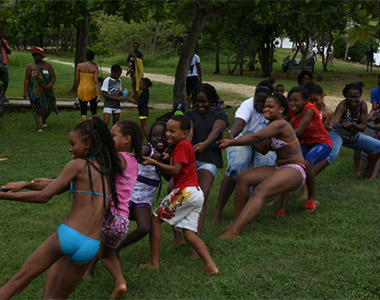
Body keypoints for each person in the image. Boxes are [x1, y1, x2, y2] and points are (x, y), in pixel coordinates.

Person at [0, 117, 122, 299]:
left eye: (73, 144)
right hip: (90, 246)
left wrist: (4, 195)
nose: (70, 149)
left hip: (69, 235)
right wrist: (25, 184)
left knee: (18, 282)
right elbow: (57, 186)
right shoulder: (105, 173)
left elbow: (45, 196)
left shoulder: (78, 165)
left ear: (87, 144)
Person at [218, 94, 306, 239]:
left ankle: (234, 232)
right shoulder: (270, 126)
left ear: (281, 110)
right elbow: (264, 148)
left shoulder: (281, 124)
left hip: (295, 169)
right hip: (281, 168)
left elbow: (257, 137)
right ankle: (236, 221)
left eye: (271, 107)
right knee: (244, 177)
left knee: (260, 191)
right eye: (265, 106)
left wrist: (231, 142)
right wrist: (251, 137)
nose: (266, 109)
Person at [138, 115, 219, 274]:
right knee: (189, 234)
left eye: (172, 131)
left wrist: (155, 162)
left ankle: (154, 262)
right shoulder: (182, 146)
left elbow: (176, 170)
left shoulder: (182, 145)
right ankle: (210, 265)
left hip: (185, 192)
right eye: (167, 130)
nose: (168, 134)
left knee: (155, 220)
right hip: (196, 193)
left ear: (184, 133)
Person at [168, 84, 228, 253]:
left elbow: (216, 132)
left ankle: (196, 243)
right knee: (173, 189)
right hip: (189, 161)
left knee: (201, 195)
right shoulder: (189, 115)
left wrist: (205, 144)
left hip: (208, 160)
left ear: (212, 101)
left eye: (204, 102)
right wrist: (187, 146)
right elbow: (189, 134)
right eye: (197, 102)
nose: (201, 105)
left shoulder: (220, 115)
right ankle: (178, 238)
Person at [211, 80, 276, 225]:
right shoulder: (247, 105)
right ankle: (218, 211)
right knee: (236, 168)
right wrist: (232, 137)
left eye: (264, 102)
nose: (260, 104)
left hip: (264, 143)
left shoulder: (274, 108)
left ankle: (252, 214)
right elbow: (239, 123)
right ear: (253, 97)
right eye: (257, 101)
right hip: (242, 139)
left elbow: (267, 141)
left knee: (261, 171)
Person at [96, 120, 142, 299]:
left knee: (72, 242)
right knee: (107, 255)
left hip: (107, 216)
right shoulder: (133, 160)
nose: (109, 138)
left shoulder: (120, 158)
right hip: (122, 221)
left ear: (127, 139)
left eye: (113, 135)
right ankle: (120, 282)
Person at [116, 121, 169, 252]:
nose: (160, 139)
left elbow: (168, 177)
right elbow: (137, 154)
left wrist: (160, 162)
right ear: (150, 138)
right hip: (129, 195)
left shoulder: (167, 156)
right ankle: (93, 259)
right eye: (155, 135)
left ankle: (117, 248)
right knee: (114, 226)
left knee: (145, 227)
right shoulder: (149, 149)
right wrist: (150, 157)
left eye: (163, 135)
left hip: (144, 200)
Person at [318, 82, 380, 179]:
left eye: (356, 97)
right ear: (345, 96)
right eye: (350, 96)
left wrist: (352, 125)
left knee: (378, 146)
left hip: (352, 136)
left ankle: (367, 174)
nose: (353, 99)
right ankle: (309, 175)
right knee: (331, 154)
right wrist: (331, 125)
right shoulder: (343, 105)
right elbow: (336, 119)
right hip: (337, 134)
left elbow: (363, 127)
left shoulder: (362, 105)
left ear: (360, 96)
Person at [288, 86, 332, 212]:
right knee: (290, 161)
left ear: (304, 100)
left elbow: (299, 130)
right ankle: (280, 199)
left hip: (322, 143)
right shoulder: (292, 109)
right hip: (306, 142)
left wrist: (278, 134)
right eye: (290, 100)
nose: (292, 103)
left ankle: (312, 198)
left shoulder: (310, 109)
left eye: (296, 100)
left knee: (307, 162)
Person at [23, 47, 57, 132]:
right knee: (35, 107)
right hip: (34, 90)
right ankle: (39, 127)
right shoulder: (30, 67)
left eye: (36, 55)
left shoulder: (48, 66)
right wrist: (25, 91)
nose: (34, 56)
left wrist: (50, 85)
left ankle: (44, 119)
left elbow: (53, 77)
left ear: (41, 56)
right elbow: (27, 79)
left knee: (49, 107)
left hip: (46, 90)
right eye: (33, 55)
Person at [75, 50, 101, 121]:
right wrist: (98, 95)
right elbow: (96, 81)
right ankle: (94, 127)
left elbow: (77, 80)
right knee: (94, 111)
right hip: (92, 90)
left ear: (85, 57)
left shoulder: (79, 66)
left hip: (82, 89)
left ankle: (86, 126)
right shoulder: (95, 67)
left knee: (83, 112)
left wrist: (76, 90)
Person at [0, 31, 11, 99]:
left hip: (3, 64)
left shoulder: (4, 42)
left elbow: (9, 52)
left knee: (6, 81)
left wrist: (3, 44)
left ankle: (3, 95)